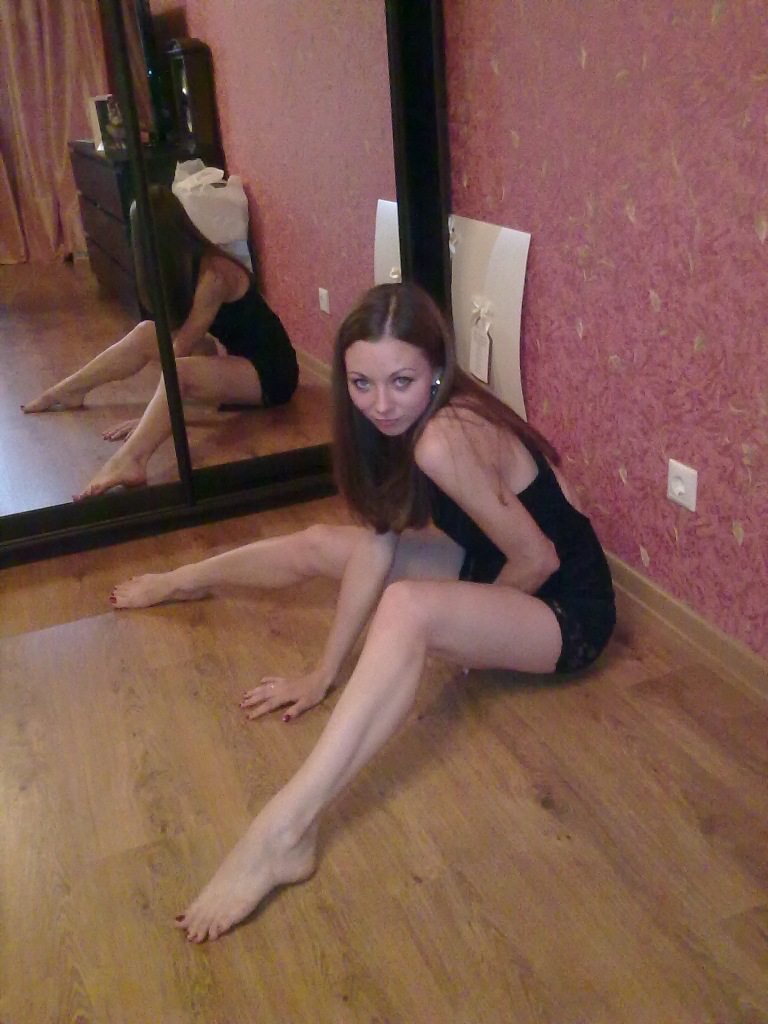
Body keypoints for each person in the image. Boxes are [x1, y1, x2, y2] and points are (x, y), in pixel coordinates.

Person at [109, 282, 616, 942]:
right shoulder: (388, 425)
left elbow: (541, 556)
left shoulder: (444, 436)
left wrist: (471, 637)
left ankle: (283, 833)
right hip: (491, 561)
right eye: (361, 382)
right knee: (325, 544)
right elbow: (379, 546)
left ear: (437, 370)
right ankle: (180, 581)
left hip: (567, 609)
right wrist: (323, 672)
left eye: (402, 381)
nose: (380, 403)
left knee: (407, 609)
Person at [22, 186, 299, 500]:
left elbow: (180, 350)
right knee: (146, 332)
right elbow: (183, 339)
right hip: (239, 359)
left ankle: (131, 459)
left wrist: (150, 420)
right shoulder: (186, 264)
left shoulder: (214, 274)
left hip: (272, 374)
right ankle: (69, 390)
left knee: (179, 371)